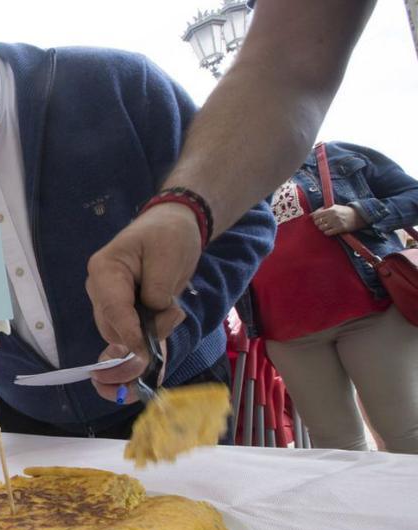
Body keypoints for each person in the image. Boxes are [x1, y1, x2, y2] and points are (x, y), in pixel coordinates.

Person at [0, 0, 275, 437]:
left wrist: (169, 332)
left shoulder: (115, 87)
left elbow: (245, 221)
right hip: (31, 435)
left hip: (173, 402)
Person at [85, 0, 379, 386]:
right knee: (334, 441)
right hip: (287, 326)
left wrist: (360, 212)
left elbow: (291, 68)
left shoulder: (339, 157)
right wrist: (185, 209)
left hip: (360, 310)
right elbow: (288, 67)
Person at [249, 142, 418, 452]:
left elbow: (413, 195)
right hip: (288, 335)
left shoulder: (337, 155)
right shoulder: (233, 184)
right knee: (334, 449)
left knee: (405, 434)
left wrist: (360, 213)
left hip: (372, 316)